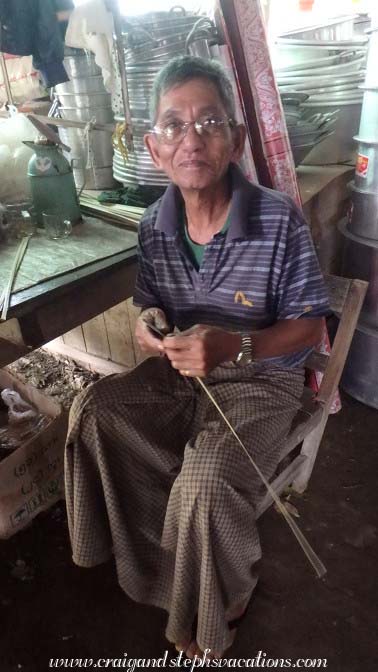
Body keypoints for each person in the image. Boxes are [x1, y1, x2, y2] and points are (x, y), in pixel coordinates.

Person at [65, 55, 329, 659]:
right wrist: (149, 328)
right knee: (93, 410)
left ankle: (221, 606)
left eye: (209, 123)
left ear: (235, 140)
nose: (192, 140)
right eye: (174, 126)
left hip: (262, 382)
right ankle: (149, 563)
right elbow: (151, 306)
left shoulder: (276, 218)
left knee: (207, 477)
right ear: (155, 150)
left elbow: (311, 325)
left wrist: (235, 344)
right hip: (181, 376)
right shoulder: (156, 226)